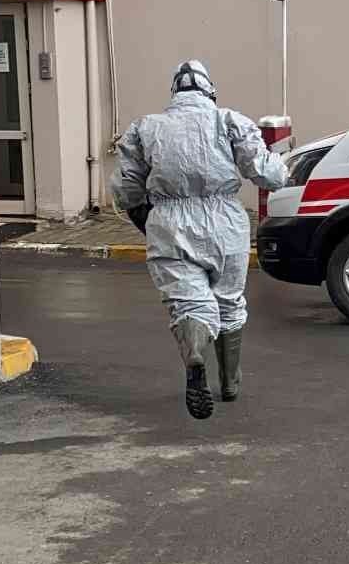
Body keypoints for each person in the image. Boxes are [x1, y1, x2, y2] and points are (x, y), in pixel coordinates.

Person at [113, 60, 289, 420]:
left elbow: (127, 187)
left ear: (174, 93)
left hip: (169, 223)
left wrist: (142, 215)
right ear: (210, 90)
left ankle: (195, 354)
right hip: (225, 223)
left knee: (188, 303)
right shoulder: (229, 121)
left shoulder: (146, 128)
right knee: (228, 303)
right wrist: (284, 167)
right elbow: (267, 173)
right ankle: (229, 383)